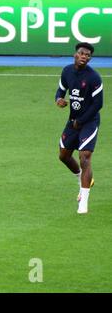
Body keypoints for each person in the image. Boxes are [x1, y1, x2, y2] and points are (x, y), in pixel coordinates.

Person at [55, 42, 103, 214]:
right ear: (75, 54)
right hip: (73, 121)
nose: (84, 56)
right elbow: (60, 91)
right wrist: (59, 100)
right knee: (64, 155)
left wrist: (81, 120)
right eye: (82, 53)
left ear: (90, 59)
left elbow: (98, 104)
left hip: (89, 122)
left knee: (85, 157)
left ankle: (83, 202)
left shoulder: (94, 77)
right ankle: (82, 179)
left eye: (88, 55)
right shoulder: (67, 71)